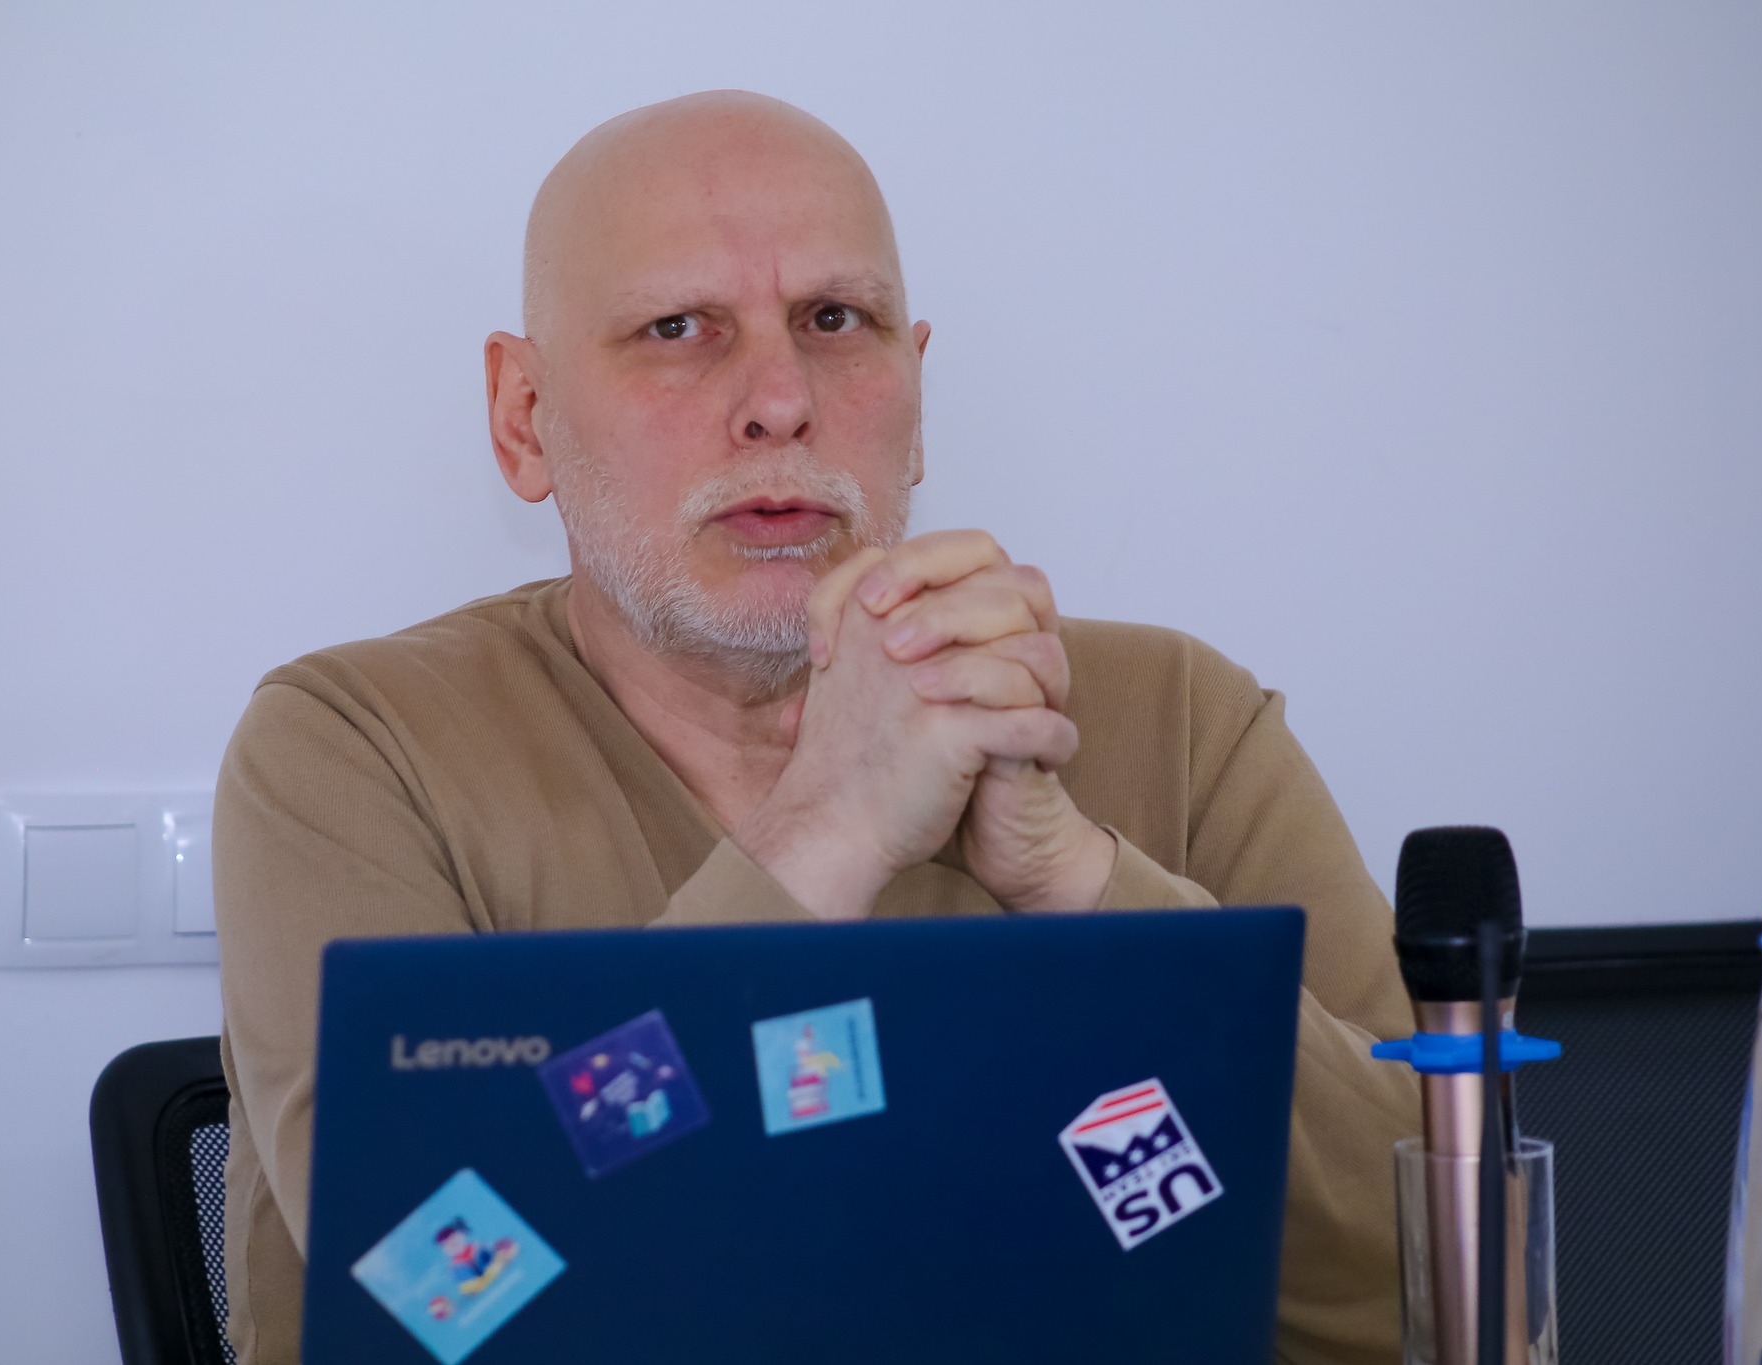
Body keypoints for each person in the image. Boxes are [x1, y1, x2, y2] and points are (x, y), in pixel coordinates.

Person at [213, 89, 1419, 1365]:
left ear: (915, 391)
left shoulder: (1177, 720)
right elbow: (439, 1296)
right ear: (525, 419)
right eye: (677, 329)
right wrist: (824, 832)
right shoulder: (350, 751)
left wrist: (1078, 880)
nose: (779, 401)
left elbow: (1426, 1271)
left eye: (834, 320)